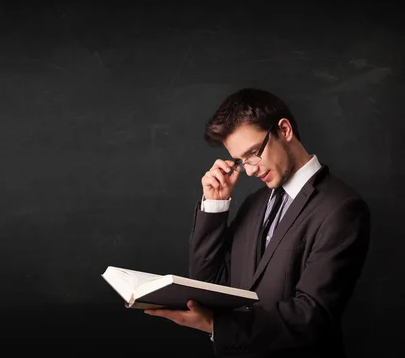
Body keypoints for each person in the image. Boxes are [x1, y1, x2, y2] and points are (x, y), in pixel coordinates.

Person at [144, 88, 371, 357]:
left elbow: (313, 314)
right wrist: (215, 206)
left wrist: (218, 325)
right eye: (241, 161)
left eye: (254, 153)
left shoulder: (341, 207)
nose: (250, 169)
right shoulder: (254, 203)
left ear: (284, 130)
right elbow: (210, 282)